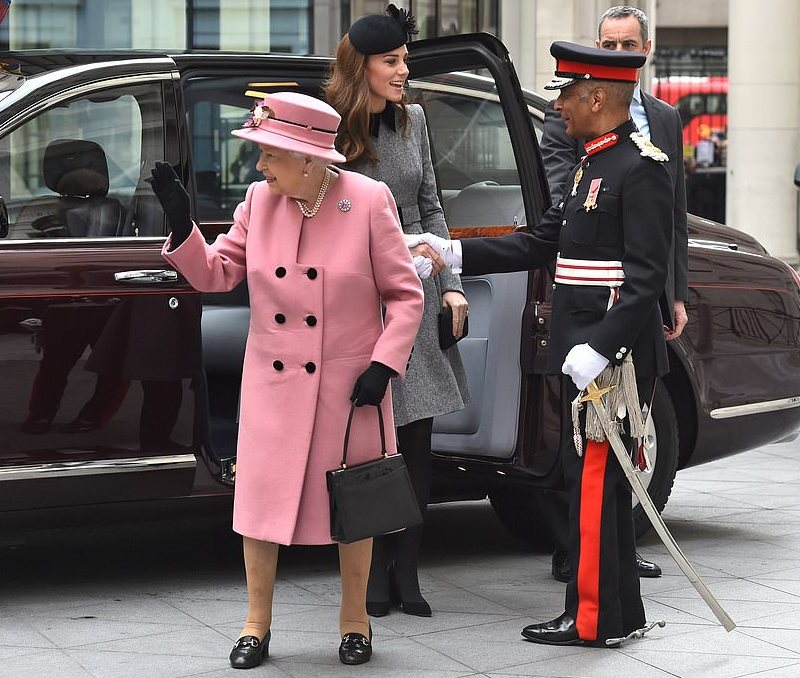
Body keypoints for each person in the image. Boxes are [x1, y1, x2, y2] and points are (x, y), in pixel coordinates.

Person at [150, 91, 424, 668]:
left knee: (355, 507)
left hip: (348, 389)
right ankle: (255, 625)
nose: (259, 166)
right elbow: (219, 275)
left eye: (268, 154)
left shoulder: (369, 201)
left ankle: (356, 622)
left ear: (307, 158)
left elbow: (405, 296)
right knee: (259, 504)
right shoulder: (259, 200)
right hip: (273, 385)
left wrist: (383, 364)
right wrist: (183, 228)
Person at [416, 41, 673, 648]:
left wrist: (600, 349)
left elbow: (644, 281)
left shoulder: (641, 169)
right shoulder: (591, 163)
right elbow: (541, 242)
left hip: (612, 363)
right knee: (598, 487)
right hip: (588, 353)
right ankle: (619, 614)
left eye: (567, 93)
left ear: (599, 96)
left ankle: (589, 618)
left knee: (591, 488)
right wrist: (453, 251)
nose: (559, 105)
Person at [324, 3, 469, 619]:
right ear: (363, 68)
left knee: (414, 443)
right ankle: (370, 576)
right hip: (359, 300)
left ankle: (407, 573)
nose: (405, 69)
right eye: (393, 61)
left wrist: (454, 282)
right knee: (365, 443)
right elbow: (325, 217)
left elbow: (432, 207)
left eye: (405, 59)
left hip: (419, 293)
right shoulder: (331, 129)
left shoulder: (414, 121)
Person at [539, 4, 688, 583]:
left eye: (628, 46)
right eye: (609, 44)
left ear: (644, 51)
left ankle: (607, 577)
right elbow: (562, 219)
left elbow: (666, 225)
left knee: (623, 447)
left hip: (620, 322)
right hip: (592, 314)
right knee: (585, 456)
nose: (618, 55)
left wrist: (671, 292)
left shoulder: (658, 133)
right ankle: (588, 568)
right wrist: (454, 252)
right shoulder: (578, 140)